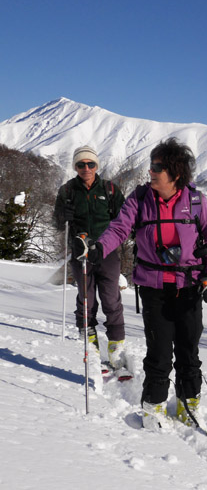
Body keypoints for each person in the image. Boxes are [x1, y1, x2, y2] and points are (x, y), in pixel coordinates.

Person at [92, 138, 207, 429]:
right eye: (151, 165)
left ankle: (189, 406)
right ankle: (153, 408)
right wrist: (100, 248)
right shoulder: (140, 199)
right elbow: (119, 227)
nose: (150, 171)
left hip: (189, 288)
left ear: (175, 173)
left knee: (189, 352)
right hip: (154, 289)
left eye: (157, 167)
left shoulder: (198, 203)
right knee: (160, 352)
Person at [54, 145, 127, 374]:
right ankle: (88, 335)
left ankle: (116, 343)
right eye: (81, 164)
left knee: (111, 298)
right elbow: (58, 223)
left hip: (106, 251)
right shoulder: (67, 191)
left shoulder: (110, 189)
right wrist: (61, 216)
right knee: (86, 297)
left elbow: (124, 219)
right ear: (75, 167)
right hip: (79, 251)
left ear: (97, 166)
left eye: (90, 164)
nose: (86, 168)